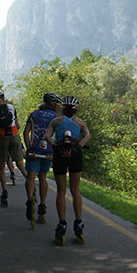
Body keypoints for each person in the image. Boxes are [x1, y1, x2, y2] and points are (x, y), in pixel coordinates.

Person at [43, 95, 91, 244]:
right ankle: (78, 223)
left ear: (64, 109)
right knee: (75, 190)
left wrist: (55, 145)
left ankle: (62, 223)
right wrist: (78, 146)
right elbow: (88, 135)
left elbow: (47, 136)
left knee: (61, 191)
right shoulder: (80, 122)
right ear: (75, 110)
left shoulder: (56, 121)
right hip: (75, 156)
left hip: (59, 156)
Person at [23, 93, 61, 226]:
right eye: (57, 105)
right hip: (49, 151)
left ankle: (29, 200)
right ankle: (42, 207)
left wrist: (29, 148)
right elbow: (59, 136)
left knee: (30, 178)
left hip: (34, 150)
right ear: (53, 104)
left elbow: (26, 132)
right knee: (43, 178)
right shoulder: (57, 117)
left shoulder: (34, 114)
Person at [0, 89, 27, 207]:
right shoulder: (11, 107)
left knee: (1, 166)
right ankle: (30, 183)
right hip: (14, 136)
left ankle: (4, 191)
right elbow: (18, 125)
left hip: (1, 138)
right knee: (20, 164)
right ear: (3, 97)